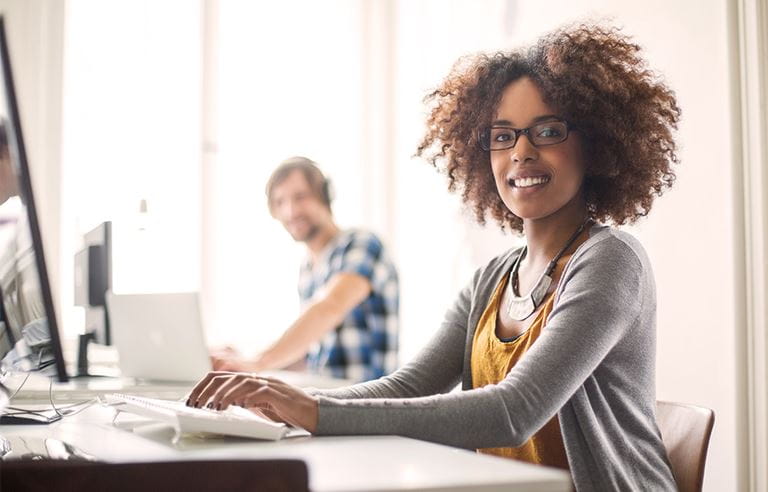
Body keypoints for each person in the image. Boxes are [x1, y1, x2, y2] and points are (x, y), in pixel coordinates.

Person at [189, 23, 680, 490]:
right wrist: (284, 402)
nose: (521, 152)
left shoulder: (610, 261)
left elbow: (514, 411)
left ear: (594, 145)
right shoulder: (492, 278)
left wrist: (313, 412)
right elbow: (407, 386)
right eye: (502, 135)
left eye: (547, 131)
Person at [211, 157, 400, 383]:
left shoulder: (361, 244)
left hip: (368, 402)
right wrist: (241, 359)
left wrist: (259, 362)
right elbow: (309, 355)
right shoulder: (308, 268)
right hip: (327, 397)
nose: (291, 211)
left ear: (325, 196)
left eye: (300, 197)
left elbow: (330, 306)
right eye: (280, 202)